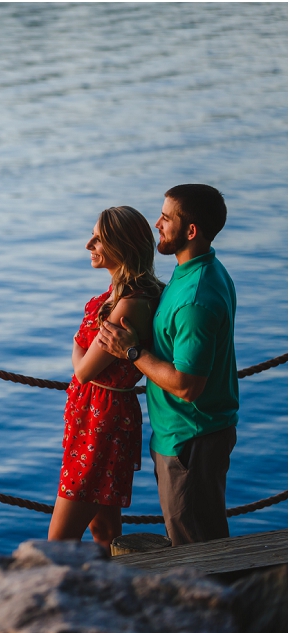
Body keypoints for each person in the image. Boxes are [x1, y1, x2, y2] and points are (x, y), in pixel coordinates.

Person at [97, 184, 237, 546]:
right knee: (202, 542)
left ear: (191, 231)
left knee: (195, 552)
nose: (156, 222)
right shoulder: (199, 270)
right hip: (189, 436)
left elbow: (188, 386)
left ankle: (213, 604)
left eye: (167, 217)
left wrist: (131, 352)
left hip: (190, 439)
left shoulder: (195, 298)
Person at [48, 206, 164, 551]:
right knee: (104, 530)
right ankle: (112, 593)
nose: (89, 244)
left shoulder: (130, 304)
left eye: (98, 238)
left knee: (58, 543)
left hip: (101, 422)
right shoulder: (119, 297)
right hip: (94, 415)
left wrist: (75, 345)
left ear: (121, 246)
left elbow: (84, 370)